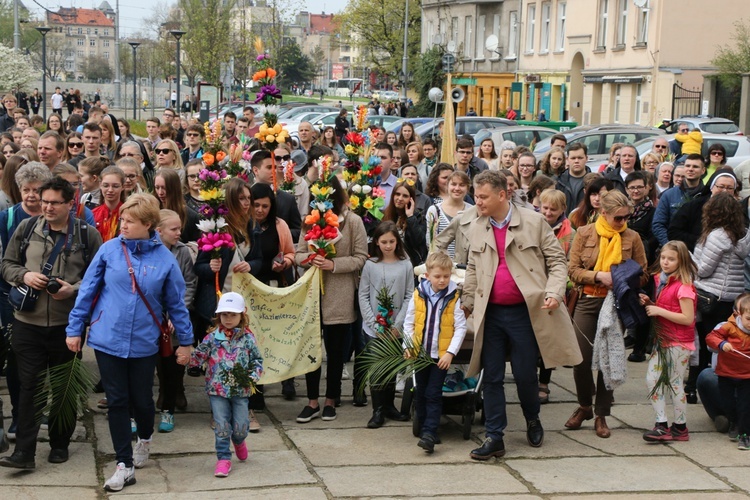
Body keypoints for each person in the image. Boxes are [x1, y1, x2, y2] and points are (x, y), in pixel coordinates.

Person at [65, 193, 192, 491]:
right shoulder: (109, 251)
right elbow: (87, 292)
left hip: (144, 343)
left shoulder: (165, 260)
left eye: (130, 221)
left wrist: (185, 342)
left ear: (149, 225)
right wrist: (75, 329)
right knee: (118, 401)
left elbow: (176, 305)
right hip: (107, 339)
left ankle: (144, 439)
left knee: (143, 400)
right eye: (122, 219)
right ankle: (124, 464)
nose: (122, 225)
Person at [462, 170, 581, 459]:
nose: (476, 202)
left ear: (502, 195)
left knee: (526, 374)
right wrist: (467, 301)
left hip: (525, 313)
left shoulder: (534, 221)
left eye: (482, 196)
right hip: (490, 313)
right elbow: (473, 268)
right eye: (476, 196)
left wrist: (554, 291)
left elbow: (557, 262)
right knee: (490, 376)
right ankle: (494, 436)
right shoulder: (476, 226)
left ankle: (532, 419)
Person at [0, 177, 102, 470]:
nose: (46, 207)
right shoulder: (27, 227)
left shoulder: (87, 235)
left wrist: (75, 289)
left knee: (64, 388)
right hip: (26, 323)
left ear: (71, 204)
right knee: (29, 386)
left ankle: (60, 443)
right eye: (44, 201)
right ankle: (24, 453)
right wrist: (24, 276)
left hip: (67, 326)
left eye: (54, 202)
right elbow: (6, 264)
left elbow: (100, 278)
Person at [566, 190, 647, 439]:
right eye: (619, 218)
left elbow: (644, 273)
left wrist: (625, 278)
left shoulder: (632, 237)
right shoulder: (584, 233)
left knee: (608, 360)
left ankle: (601, 413)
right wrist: (598, 276)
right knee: (580, 358)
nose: (623, 222)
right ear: (603, 213)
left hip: (616, 304)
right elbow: (573, 270)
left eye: (626, 217)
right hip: (588, 299)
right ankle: (584, 406)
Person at [295, 174, 368, 423]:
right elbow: (297, 254)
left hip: (340, 294)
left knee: (336, 352)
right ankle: (312, 400)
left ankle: (331, 399)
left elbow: (361, 257)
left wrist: (332, 264)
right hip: (312, 294)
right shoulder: (310, 221)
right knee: (312, 351)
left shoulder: (353, 221)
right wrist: (309, 261)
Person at [182, 292, 263, 476]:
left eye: (233, 315)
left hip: (240, 390)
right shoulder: (211, 338)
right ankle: (223, 458)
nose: (228, 319)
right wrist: (187, 358)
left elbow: (257, 361)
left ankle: (239, 440)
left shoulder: (248, 338)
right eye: (224, 314)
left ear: (242, 315)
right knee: (221, 425)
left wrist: (252, 377)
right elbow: (198, 357)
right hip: (216, 390)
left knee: (242, 426)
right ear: (218, 316)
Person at [403, 251, 466, 453]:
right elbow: (409, 323)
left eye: (446, 276)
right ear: (427, 276)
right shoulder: (418, 295)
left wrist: (450, 353)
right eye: (437, 276)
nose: (442, 280)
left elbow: (460, 328)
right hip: (421, 354)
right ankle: (423, 427)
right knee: (420, 391)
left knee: (433, 393)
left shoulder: (453, 298)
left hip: (440, 356)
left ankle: (431, 431)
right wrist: (408, 346)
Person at [638, 240, 697, 442]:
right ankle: (661, 424)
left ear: (681, 261)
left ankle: (680, 427)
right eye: (663, 257)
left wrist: (658, 310)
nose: (665, 262)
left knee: (674, 383)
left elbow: (688, 318)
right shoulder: (662, 281)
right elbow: (668, 310)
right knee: (653, 380)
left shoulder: (684, 287)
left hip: (678, 342)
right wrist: (651, 303)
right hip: (663, 339)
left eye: (671, 259)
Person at [357, 222, 414, 429]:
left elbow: (409, 295)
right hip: (374, 328)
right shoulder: (371, 264)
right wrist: (373, 323)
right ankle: (378, 409)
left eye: (391, 241)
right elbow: (363, 295)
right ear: (377, 243)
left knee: (391, 366)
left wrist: (398, 323)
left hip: (396, 328)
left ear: (397, 242)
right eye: (384, 242)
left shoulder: (406, 264)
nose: (388, 246)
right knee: (377, 368)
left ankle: (390, 405)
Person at [154, 209, 197, 431]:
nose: (179, 233)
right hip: (152, 318)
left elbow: (189, 284)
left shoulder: (182, 252)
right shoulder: (149, 250)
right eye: (174, 229)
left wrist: (177, 312)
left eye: (180, 228)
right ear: (158, 231)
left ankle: (169, 408)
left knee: (174, 364)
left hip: (176, 317)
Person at [706, 293, 750, 450]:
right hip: (726, 373)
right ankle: (734, 422)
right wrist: (721, 344)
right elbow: (711, 337)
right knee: (728, 403)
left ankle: (745, 435)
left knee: (745, 405)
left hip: (747, 376)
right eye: (749, 319)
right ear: (739, 314)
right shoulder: (728, 327)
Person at [652, 154, 706, 247]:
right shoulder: (668, 195)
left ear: (703, 170)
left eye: (695, 166)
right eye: (688, 166)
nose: (690, 169)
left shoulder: (708, 196)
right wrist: (670, 246)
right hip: (673, 249)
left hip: (700, 251)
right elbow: (658, 224)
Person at [425, 171, 471, 257]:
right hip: (439, 263)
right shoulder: (434, 211)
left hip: (464, 265)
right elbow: (430, 242)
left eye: (462, 185)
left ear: (467, 188)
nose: (457, 188)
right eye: (453, 184)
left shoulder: (472, 211)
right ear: (447, 186)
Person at [383, 179, 427, 267]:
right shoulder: (385, 215)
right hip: (389, 264)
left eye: (405, 196)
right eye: (397, 194)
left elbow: (418, 242)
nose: (400, 199)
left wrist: (410, 217)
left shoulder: (418, 217)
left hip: (411, 265)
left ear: (411, 199)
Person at [91, 166, 126, 242]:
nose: (110, 190)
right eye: (106, 185)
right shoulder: (93, 214)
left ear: (123, 187)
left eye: (115, 186)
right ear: (100, 185)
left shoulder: (128, 213)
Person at [556, 143, 590, 216]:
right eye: (573, 158)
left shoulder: (594, 182)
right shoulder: (558, 182)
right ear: (567, 159)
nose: (576, 161)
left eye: (580, 158)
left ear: (586, 158)